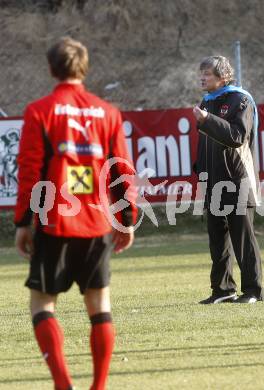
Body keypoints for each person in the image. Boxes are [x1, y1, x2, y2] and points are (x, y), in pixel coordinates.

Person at [14, 37, 137, 390]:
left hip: (55, 222)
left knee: (42, 303)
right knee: (98, 304)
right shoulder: (108, 113)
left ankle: (63, 384)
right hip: (97, 223)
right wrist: (125, 219)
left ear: (52, 69)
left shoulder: (40, 110)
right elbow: (121, 170)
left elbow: (30, 169)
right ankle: (98, 386)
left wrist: (24, 221)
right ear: (84, 68)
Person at [193, 56, 264, 304]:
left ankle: (253, 291)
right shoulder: (207, 101)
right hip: (213, 182)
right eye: (201, 73)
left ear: (223, 77)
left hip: (238, 179)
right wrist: (200, 170)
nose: (202, 77)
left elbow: (237, 136)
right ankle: (223, 290)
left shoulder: (241, 99)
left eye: (207, 74)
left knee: (243, 238)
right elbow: (206, 143)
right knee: (218, 240)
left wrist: (207, 120)